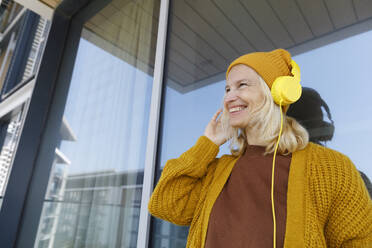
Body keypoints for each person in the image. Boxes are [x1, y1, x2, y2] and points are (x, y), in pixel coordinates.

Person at [148, 49, 372, 248]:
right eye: (227, 89)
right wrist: (208, 144)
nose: (229, 97)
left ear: (275, 93)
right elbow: (165, 204)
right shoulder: (218, 171)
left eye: (241, 85)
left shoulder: (332, 167)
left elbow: (360, 241)